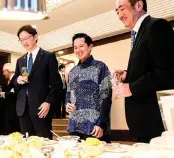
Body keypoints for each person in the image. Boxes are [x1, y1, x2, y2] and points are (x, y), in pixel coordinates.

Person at [114, 0, 174, 143]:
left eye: (122, 9)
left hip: (154, 123)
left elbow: (168, 73)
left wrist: (132, 87)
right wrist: (128, 74)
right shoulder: (138, 33)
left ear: (139, 5)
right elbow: (150, 67)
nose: (119, 15)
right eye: (117, 12)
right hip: (143, 123)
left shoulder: (157, 26)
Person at [14, 25, 63, 139]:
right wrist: (17, 80)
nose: (24, 42)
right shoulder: (20, 60)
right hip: (23, 108)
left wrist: (48, 102)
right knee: (26, 141)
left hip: (41, 107)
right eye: (21, 40)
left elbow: (56, 84)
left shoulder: (48, 56)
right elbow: (15, 84)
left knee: (43, 140)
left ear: (35, 36)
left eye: (27, 38)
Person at [66, 33, 112, 142]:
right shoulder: (72, 72)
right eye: (75, 47)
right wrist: (67, 103)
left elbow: (106, 97)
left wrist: (101, 123)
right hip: (74, 124)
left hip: (94, 125)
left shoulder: (101, 67)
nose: (78, 50)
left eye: (81, 46)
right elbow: (69, 94)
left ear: (90, 47)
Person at [0, 63, 20, 134]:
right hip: (10, 111)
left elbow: (18, 94)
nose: (3, 73)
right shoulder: (9, 81)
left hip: (15, 111)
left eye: (3, 71)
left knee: (15, 132)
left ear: (8, 70)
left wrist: (5, 94)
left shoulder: (16, 79)